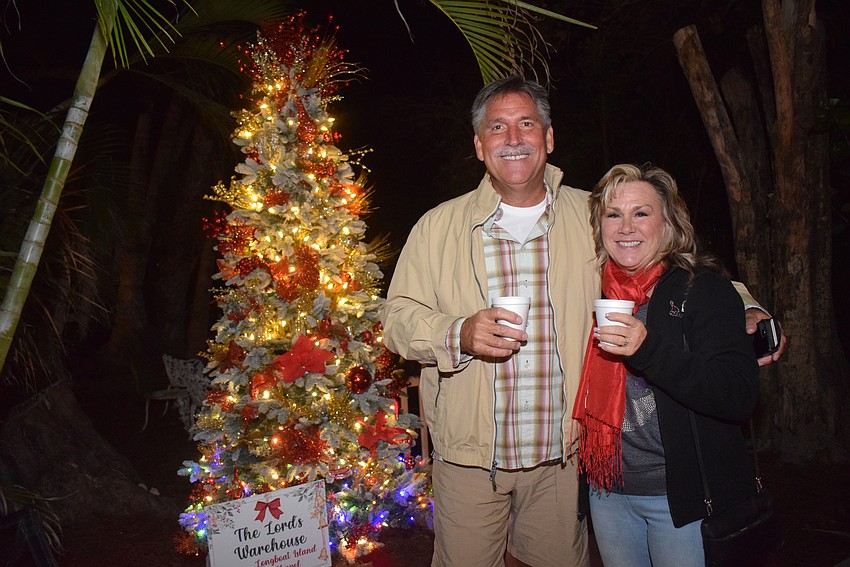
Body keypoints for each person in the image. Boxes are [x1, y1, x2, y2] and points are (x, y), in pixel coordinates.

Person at [380, 77, 780, 567]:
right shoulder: (437, 226)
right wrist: (458, 332)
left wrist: (744, 304)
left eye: (526, 124)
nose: (513, 138)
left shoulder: (591, 214)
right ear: (479, 146)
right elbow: (396, 318)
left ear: (548, 138)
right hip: (470, 459)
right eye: (497, 127)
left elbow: (663, 261)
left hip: (562, 461)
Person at [573, 163, 761, 567]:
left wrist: (648, 350)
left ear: (669, 223)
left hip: (681, 498)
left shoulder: (702, 289)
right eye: (613, 214)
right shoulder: (590, 289)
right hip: (608, 492)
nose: (626, 227)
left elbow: (737, 395)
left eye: (641, 213)